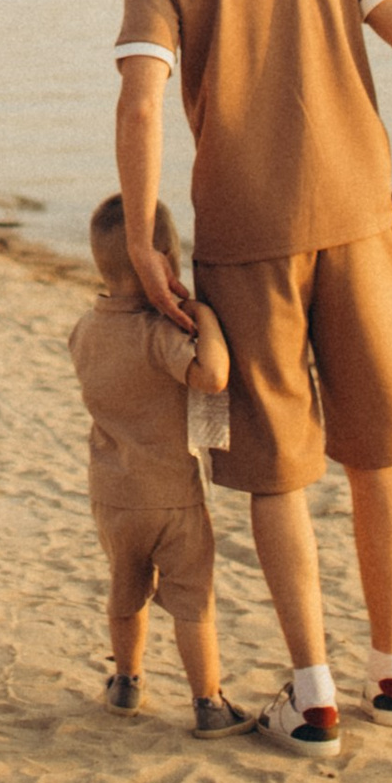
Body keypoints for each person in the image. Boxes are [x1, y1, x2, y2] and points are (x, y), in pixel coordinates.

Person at [110, 0, 392, 763]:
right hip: (360, 216)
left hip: (248, 232)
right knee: (376, 452)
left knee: (273, 465)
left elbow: (141, 99)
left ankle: (314, 699)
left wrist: (143, 238)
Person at [69, 194, 253, 737]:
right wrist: (207, 317)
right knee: (193, 598)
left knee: (125, 589)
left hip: (112, 494)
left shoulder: (85, 330)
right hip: (172, 496)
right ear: (167, 265)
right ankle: (208, 703)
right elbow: (212, 376)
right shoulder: (162, 334)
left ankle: (126, 681)